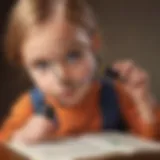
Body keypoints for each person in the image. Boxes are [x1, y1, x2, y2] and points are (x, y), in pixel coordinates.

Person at [0, 0, 159, 144]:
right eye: (42, 65)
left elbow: (152, 143)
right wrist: (20, 138)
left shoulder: (117, 96)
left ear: (94, 44)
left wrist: (143, 101)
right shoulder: (29, 107)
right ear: (24, 64)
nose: (62, 77)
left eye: (73, 56)